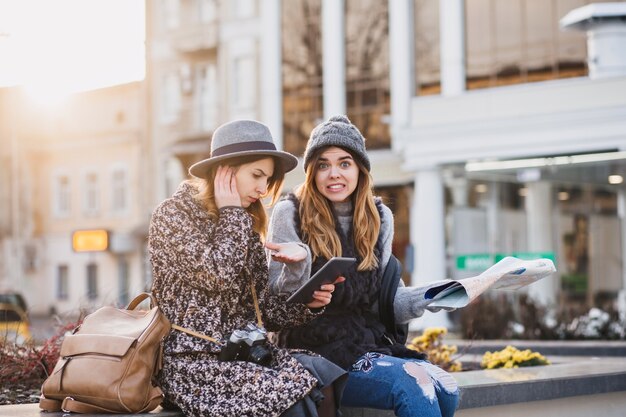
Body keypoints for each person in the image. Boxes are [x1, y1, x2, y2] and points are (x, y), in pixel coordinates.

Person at [149, 119, 347, 417]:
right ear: (224, 170)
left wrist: (307, 302)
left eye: (267, 179)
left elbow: (262, 311)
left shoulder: (243, 226)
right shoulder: (172, 216)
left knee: (325, 374)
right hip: (190, 362)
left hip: (243, 352)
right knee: (291, 393)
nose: (263, 188)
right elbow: (217, 274)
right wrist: (232, 214)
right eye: (257, 175)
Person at [267, 115, 459, 417]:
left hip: (363, 343)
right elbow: (276, 307)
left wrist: (434, 296)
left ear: (360, 169)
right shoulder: (289, 213)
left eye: (344, 163)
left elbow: (390, 301)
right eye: (323, 164)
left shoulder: (379, 218)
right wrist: (299, 265)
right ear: (312, 171)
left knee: (447, 389)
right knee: (413, 385)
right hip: (312, 351)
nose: (334, 174)